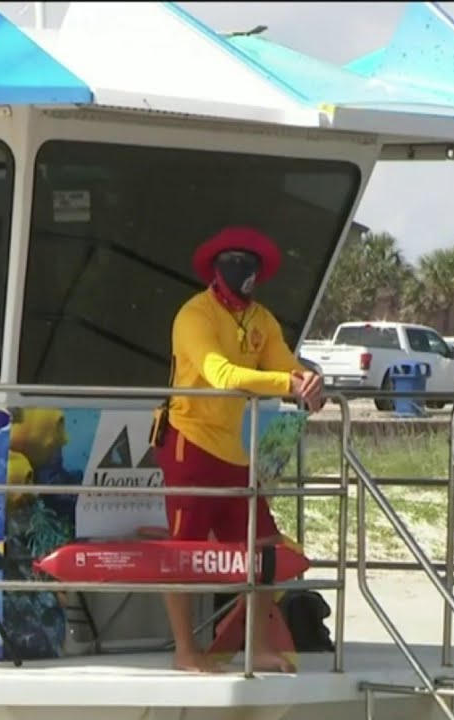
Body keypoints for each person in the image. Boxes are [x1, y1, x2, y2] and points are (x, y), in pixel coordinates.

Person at [151, 226, 324, 673]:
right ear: (215, 268)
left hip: (231, 448)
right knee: (184, 551)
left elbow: (284, 362)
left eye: (250, 263)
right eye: (234, 262)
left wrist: (305, 378)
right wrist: (288, 384)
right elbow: (221, 374)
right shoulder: (194, 316)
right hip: (188, 441)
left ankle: (257, 645)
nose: (243, 270)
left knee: (263, 544)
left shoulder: (261, 319)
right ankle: (185, 652)